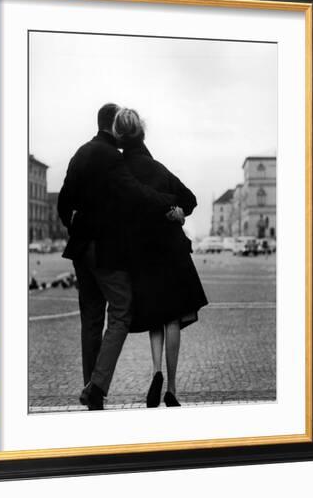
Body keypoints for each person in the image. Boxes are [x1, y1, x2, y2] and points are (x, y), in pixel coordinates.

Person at [58, 103, 182, 410]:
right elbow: (136, 193)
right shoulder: (112, 157)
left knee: (90, 318)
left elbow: (64, 201)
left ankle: (91, 391)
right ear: (115, 124)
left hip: (80, 247)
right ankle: (98, 385)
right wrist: (169, 201)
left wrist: (76, 226)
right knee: (122, 310)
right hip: (104, 248)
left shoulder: (80, 153)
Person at [113, 108, 208, 407]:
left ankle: (155, 372)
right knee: (173, 319)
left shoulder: (119, 169)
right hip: (171, 249)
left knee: (155, 316)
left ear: (118, 134)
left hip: (141, 253)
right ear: (142, 132)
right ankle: (173, 388)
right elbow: (190, 198)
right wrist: (179, 211)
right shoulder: (157, 168)